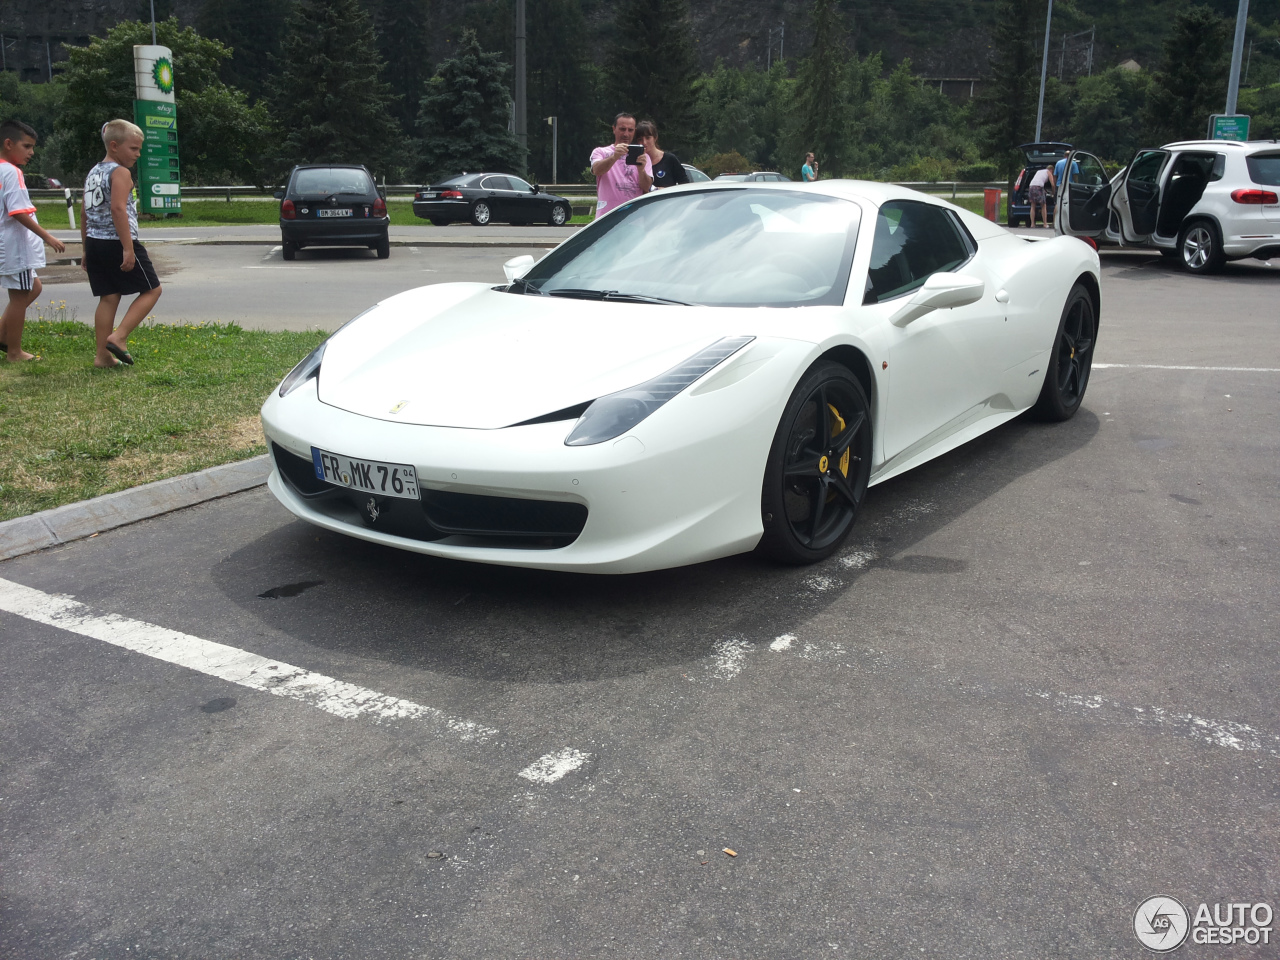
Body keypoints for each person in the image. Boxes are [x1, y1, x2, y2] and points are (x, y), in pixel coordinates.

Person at [81, 119, 162, 367]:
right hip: (118, 241)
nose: (138, 154)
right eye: (133, 149)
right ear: (114, 146)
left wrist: (85, 249)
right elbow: (118, 209)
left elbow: (84, 212)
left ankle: (102, 356)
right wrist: (128, 248)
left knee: (109, 296)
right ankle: (119, 337)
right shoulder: (121, 172)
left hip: (95, 242)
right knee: (152, 290)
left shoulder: (94, 172)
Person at [0, 118, 66, 362]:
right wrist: (47, 236)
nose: (32, 152)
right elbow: (17, 211)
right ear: (9, 143)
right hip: (14, 247)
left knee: (33, 287)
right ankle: (14, 352)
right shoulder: (12, 171)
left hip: (5, 245)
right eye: (26, 146)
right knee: (20, 295)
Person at [590, 113, 652, 217]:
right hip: (607, 216)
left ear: (634, 131)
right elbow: (596, 170)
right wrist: (614, 156)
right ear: (614, 129)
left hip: (633, 217)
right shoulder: (601, 152)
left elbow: (647, 187)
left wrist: (641, 170)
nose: (626, 134)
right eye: (622, 129)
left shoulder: (643, 157)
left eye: (630, 130)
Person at [636, 120, 688, 190]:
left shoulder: (670, 159)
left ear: (655, 137)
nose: (644, 142)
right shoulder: (636, 162)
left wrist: (663, 190)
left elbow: (685, 185)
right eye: (640, 139)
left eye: (648, 138)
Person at [1028, 164, 1056, 228]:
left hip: (1031, 186)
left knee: (1033, 205)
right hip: (1039, 188)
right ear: (1051, 170)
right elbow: (1053, 184)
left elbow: (1038, 181)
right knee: (1043, 205)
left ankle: (1032, 224)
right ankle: (1045, 224)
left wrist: (1044, 191)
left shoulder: (1039, 171)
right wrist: (1053, 192)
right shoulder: (1048, 172)